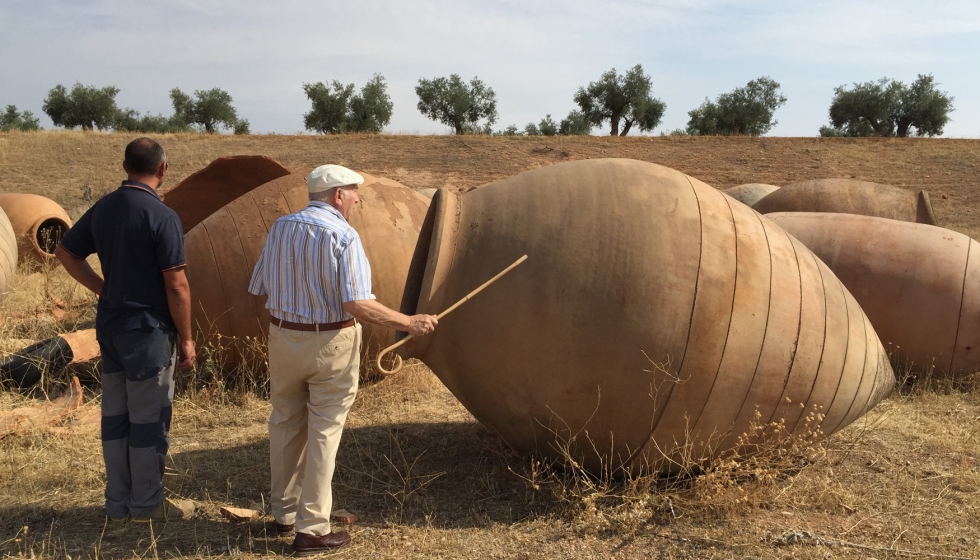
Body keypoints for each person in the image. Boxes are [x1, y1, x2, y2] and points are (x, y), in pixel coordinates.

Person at [248, 164, 437, 555]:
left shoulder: (281, 227)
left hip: (283, 338)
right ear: (337, 195)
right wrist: (408, 322)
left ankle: (284, 515)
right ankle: (312, 529)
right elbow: (356, 303)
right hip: (330, 342)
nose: (357, 199)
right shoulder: (343, 235)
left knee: (284, 422)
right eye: (353, 193)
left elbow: (258, 286)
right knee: (323, 431)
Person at [56, 137, 196, 523]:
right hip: (149, 334)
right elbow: (177, 285)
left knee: (116, 418)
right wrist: (186, 338)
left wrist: (102, 287)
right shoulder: (162, 216)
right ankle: (147, 504)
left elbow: (66, 252)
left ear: (124, 166)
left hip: (112, 330)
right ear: (162, 169)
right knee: (149, 420)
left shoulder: (104, 208)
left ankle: (117, 503)